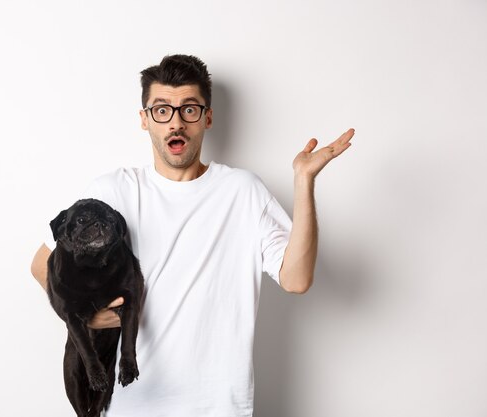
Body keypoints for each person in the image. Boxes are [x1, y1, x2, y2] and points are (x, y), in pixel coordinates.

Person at [31, 54, 354, 416]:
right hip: (131, 404)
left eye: (189, 109)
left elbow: (296, 279)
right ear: (144, 120)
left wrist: (303, 182)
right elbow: (42, 264)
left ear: (207, 117)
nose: (176, 123)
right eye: (162, 110)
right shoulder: (113, 191)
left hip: (218, 405)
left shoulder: (241, 191)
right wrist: (86, 315)